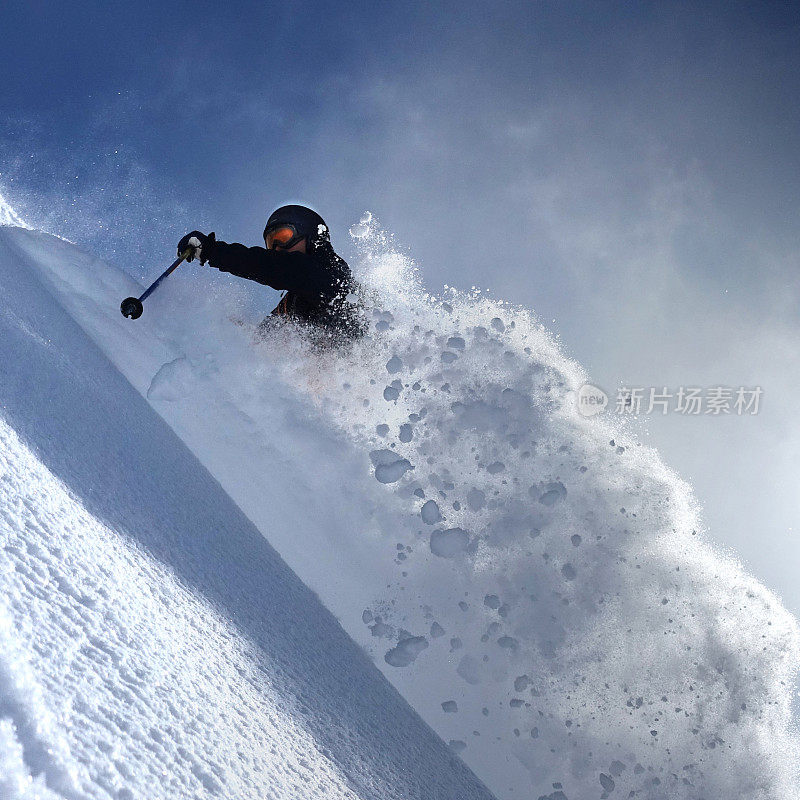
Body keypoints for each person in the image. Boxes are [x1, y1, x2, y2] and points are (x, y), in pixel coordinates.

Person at [177, 205, 364, 341]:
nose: (276, 248)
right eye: (270, 243)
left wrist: (213, 251)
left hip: (362, 364)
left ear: (311, 237)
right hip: (331, 383)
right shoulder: (293, 302)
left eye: (283, 238)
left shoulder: (330, 271)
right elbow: (263, 340)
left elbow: (276, 266)